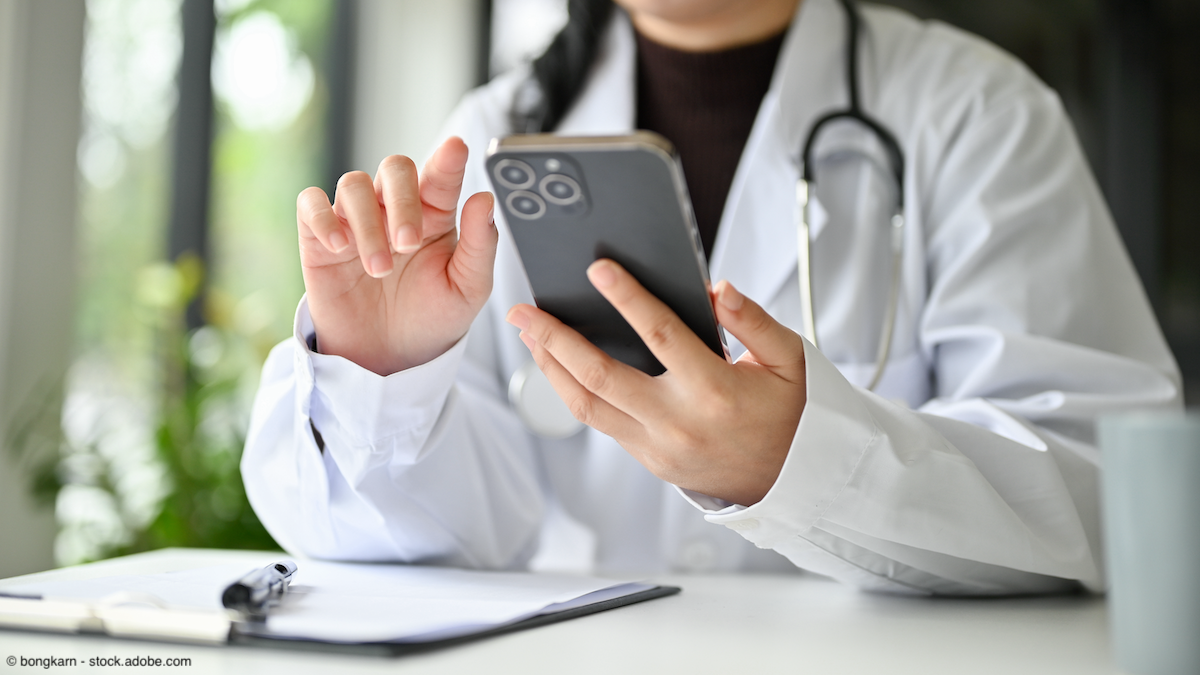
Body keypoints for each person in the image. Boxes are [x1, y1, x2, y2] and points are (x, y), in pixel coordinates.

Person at [242, 0, 1181, 595]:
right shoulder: (498, 133)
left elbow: (1103, 490)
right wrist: (382, 374)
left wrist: (809, 463)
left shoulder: (976, 112)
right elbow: (439, 539)